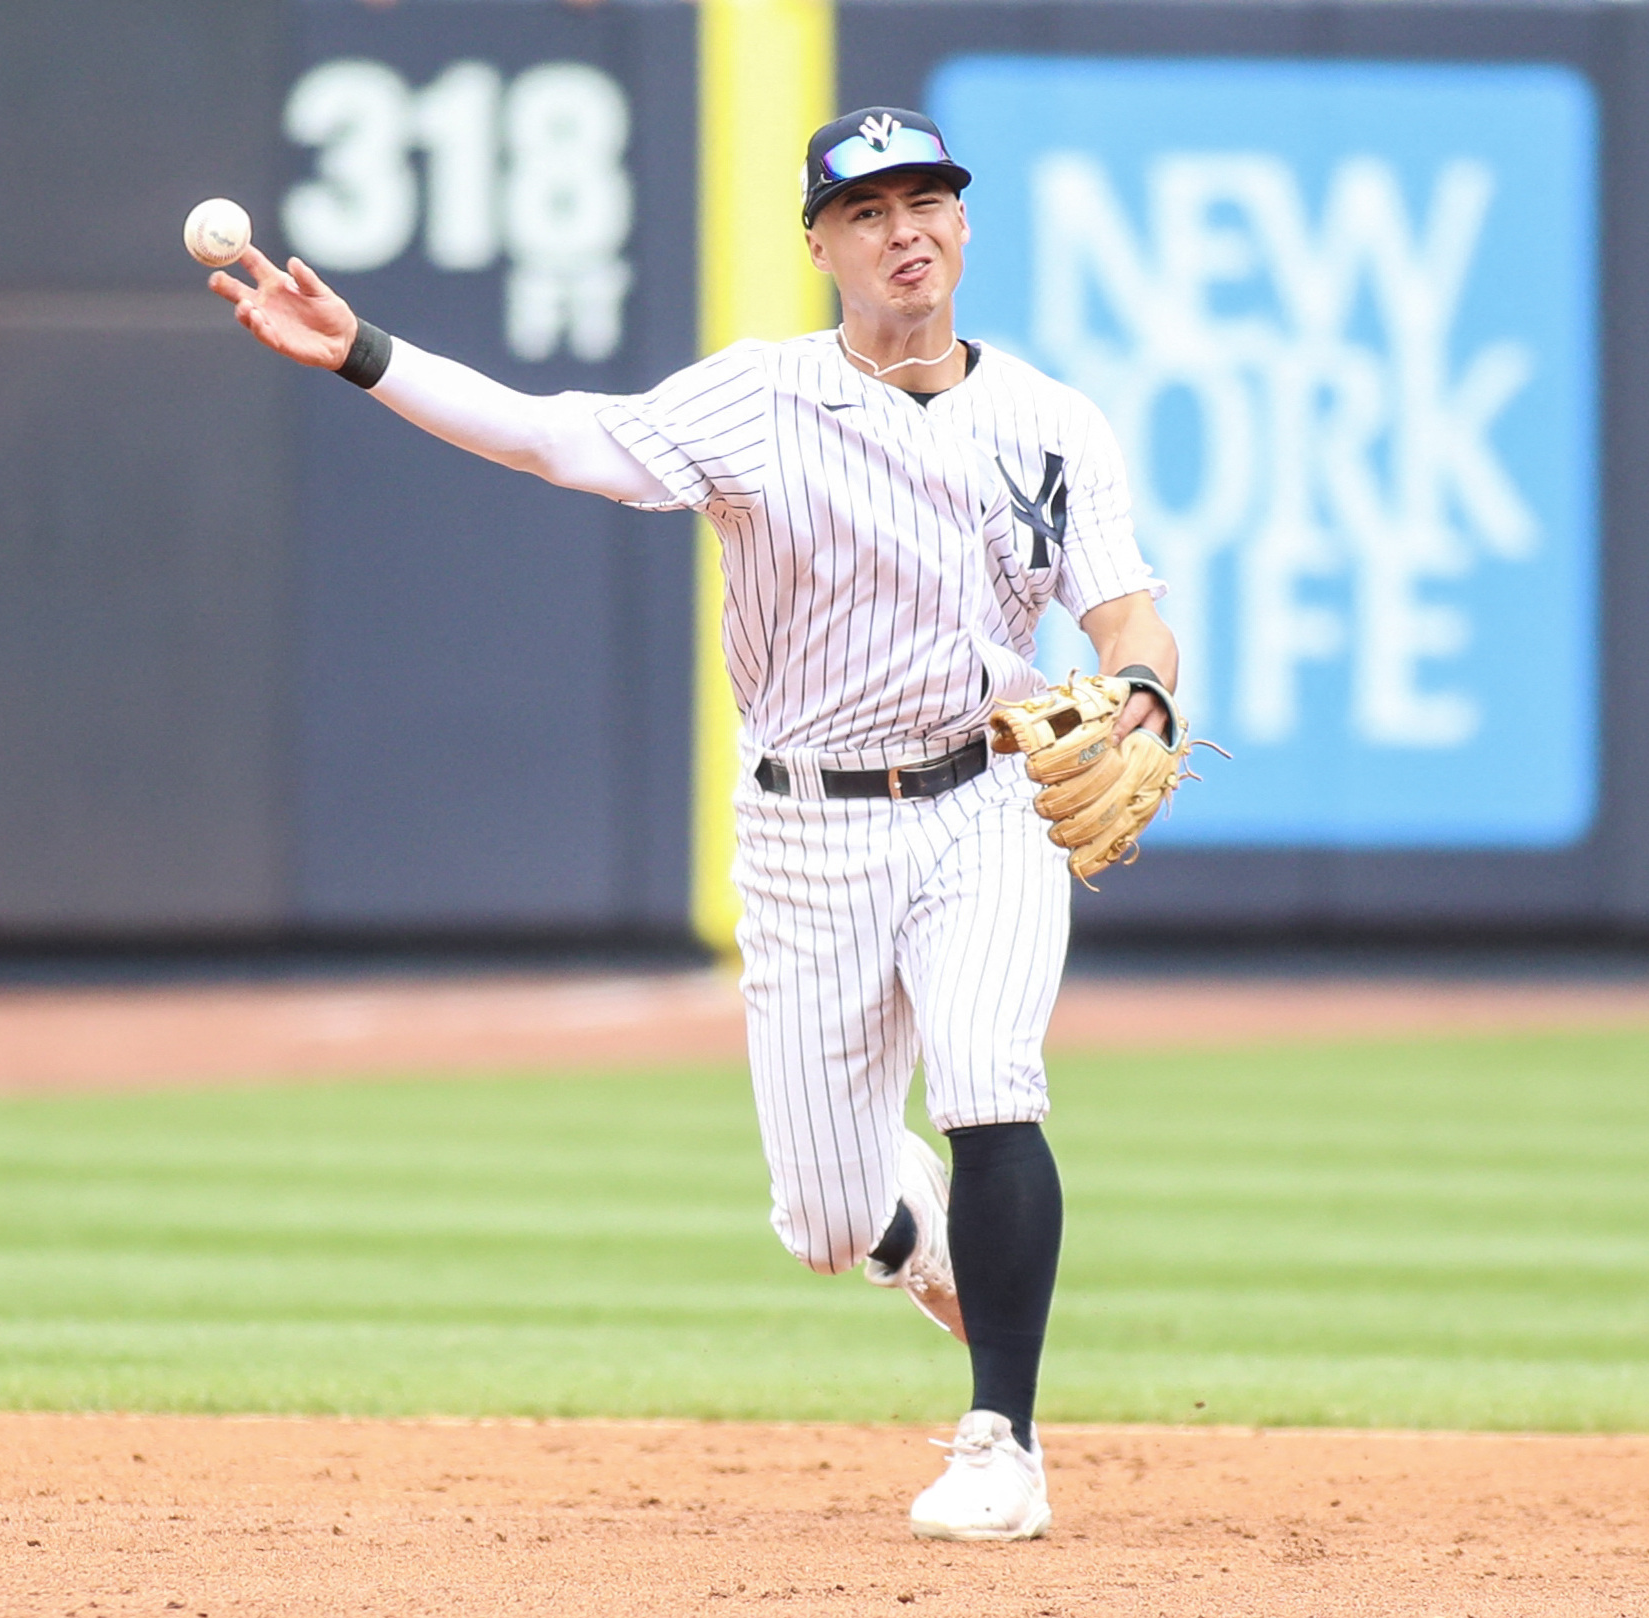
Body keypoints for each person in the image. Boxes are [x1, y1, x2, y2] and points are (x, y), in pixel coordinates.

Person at [212, 106, 1181, 1542]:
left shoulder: (1052, 421)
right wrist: (363, 352)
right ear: (820, 247)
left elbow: (1120, 604)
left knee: (993, 1078)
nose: (903, 229)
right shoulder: (758, 399)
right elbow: (556, 439)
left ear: (965, 225)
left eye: (928, 199)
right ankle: (911, 1233)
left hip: (986, 804)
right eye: (866, 211)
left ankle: (1003, 1440)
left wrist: (1149, 692)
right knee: (827, 1219)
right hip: (807, 829)